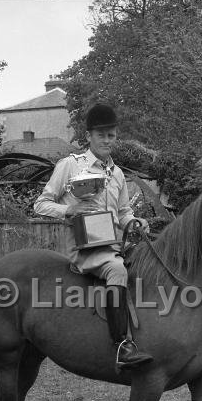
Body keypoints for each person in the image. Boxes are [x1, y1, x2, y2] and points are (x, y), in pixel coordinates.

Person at [34, 103, 153, 370]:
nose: (107, 140)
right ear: (89, 136)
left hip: (114, 245)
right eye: (102, 135)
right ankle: (122, 346)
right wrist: (69, 209)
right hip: (86, 248)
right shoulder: (70, 166)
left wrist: (135, 222)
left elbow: (123, 211)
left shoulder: (118, 173)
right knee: (117, 270)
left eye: (111, 135)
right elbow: (40, 204)